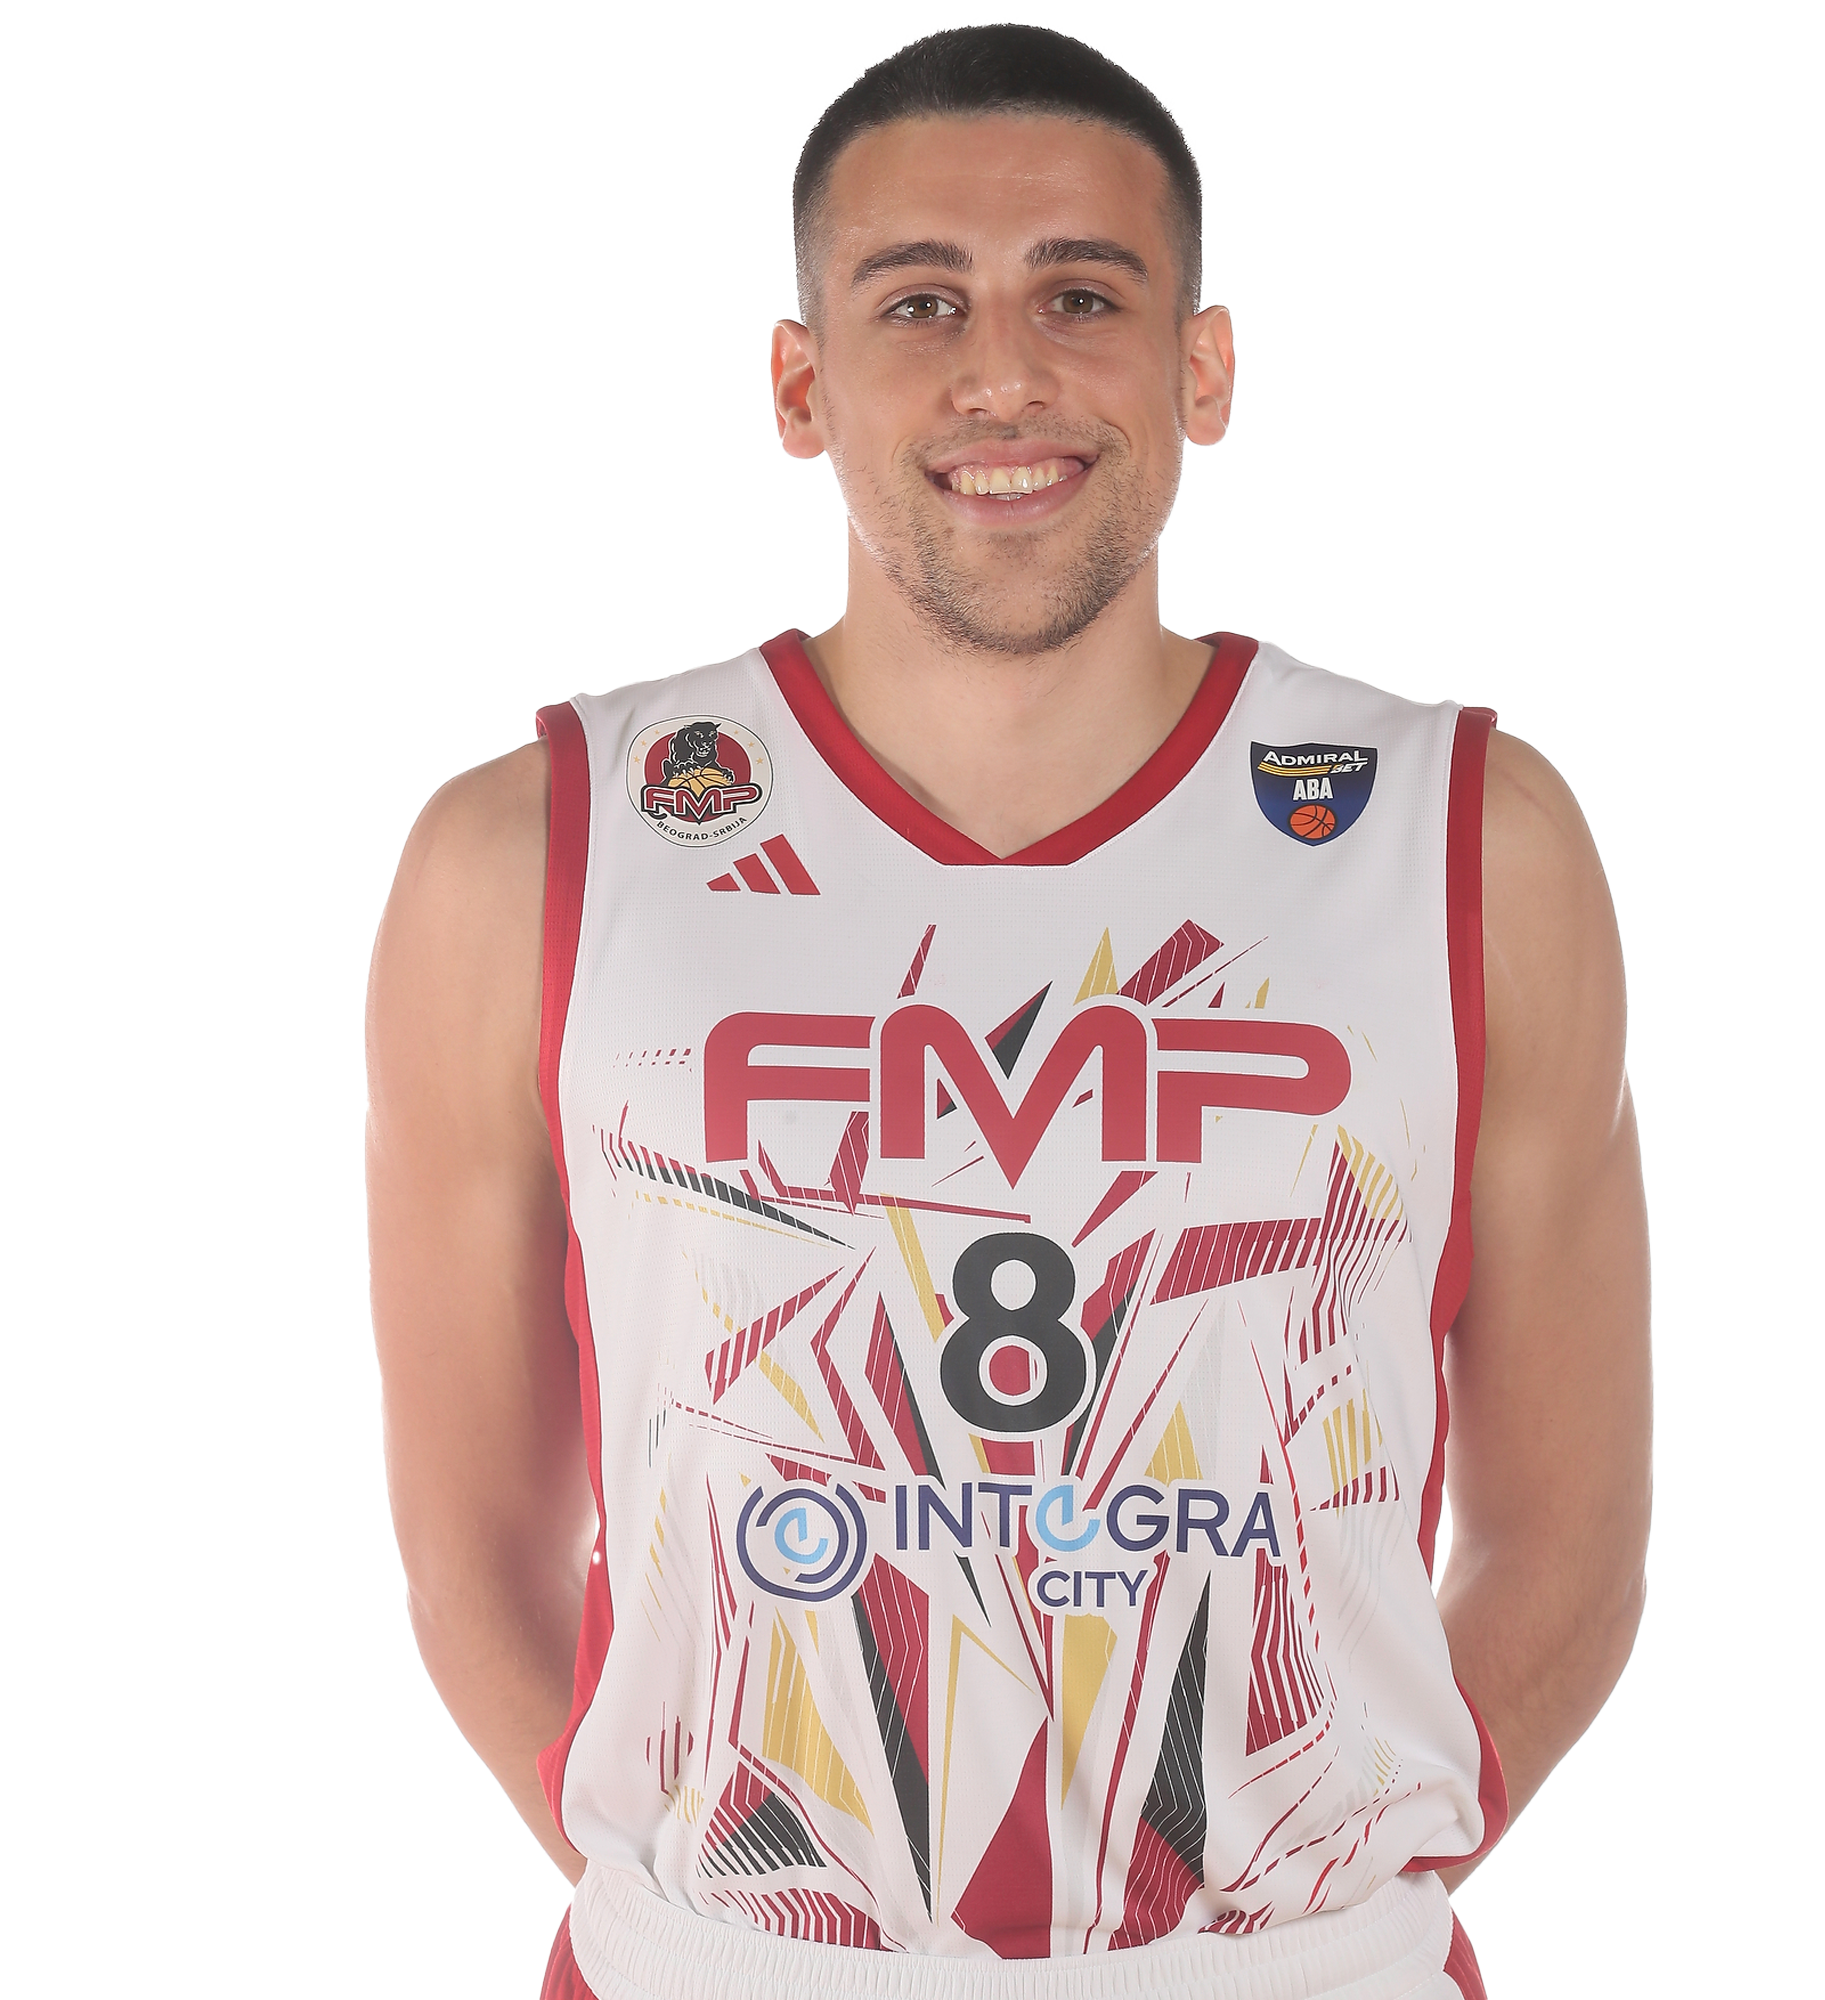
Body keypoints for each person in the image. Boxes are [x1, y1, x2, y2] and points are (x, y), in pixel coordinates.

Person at [366, 24, 1649, 2000]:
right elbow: (470, 1551)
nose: (1004, 375)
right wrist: (756, 1929)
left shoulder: (1464, 839)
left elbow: (1571, 1544)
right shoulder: (535, 848)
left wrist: (1289, 1922)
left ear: (1200, 368)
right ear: (802, 382)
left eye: (1082, 295)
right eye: (918, 302)